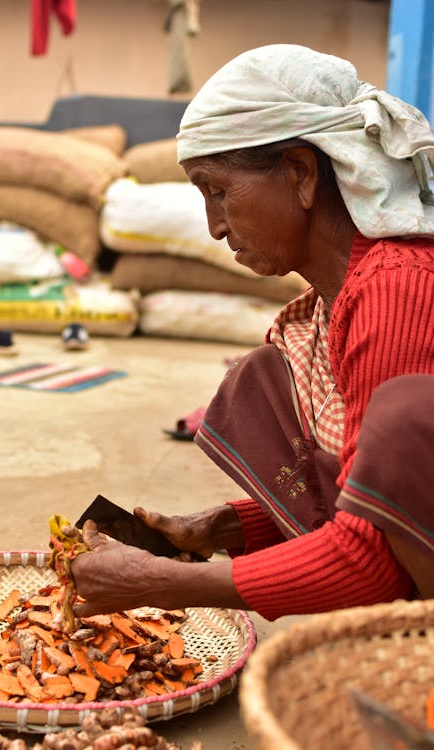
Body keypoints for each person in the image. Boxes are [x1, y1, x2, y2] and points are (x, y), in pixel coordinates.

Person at [71, 44, 434, 621]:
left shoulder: (395, 288)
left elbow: (376, 555)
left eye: (219, 191)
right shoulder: (333, 299)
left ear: (300, 174)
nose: (215, 227)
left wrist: (165, 583)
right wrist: (227, 526)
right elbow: (364, 489)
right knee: (261, 380)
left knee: (402, 418)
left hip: (395, 571)